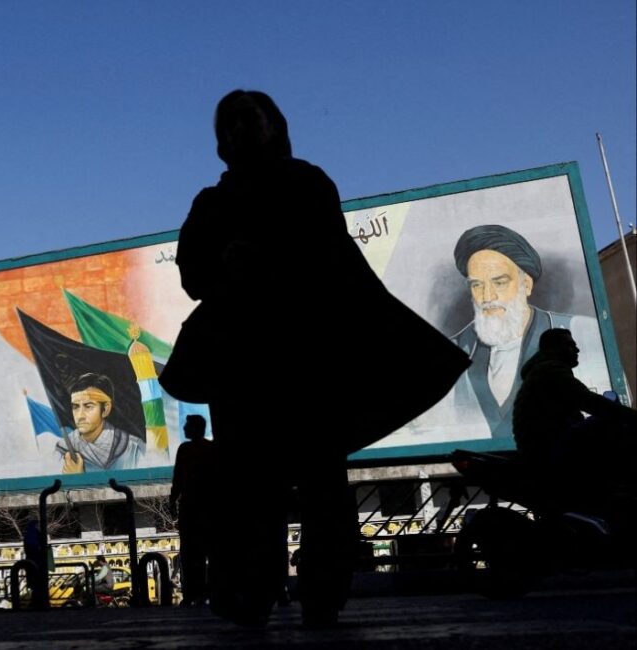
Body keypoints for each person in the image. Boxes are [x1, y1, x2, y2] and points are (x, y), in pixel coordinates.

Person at [169, 90, 467, 628]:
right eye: (229, 123)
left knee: (321, 480)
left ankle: (323, 592)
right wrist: (225, 266)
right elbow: (192, 274)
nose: (239, 130)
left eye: (249, 119)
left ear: (276, 126)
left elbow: (332, 260)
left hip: (310, 359)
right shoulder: (209, 205)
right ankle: (253, 593)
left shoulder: (306, 182)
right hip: (241, 364)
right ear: (220, 142)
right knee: (251, 488)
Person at [448, 224, 607, 439]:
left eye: (500, 282)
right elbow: (593, 403)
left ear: (527, 284)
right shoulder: (451, 352)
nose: (487, 296)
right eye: (477, 285)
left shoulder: (586, 332)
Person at [512, 328, 636, 480]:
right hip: (550, 454)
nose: (577, 349)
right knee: (611, 423)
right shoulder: (549, 371)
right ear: (553, 348)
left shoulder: (540, 370)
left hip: (542, 453)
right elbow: (590, 401)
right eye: (570, 345)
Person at [54, 373, 146, 473]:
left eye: (88, 406)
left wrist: (78, 480)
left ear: (106, 409)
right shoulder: (62, 450)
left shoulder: (134, 449)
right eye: (75, 407)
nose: (80, 416)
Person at [169, 414, 214, 606]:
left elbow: (178, 478)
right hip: (209, 508)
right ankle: (209, 593)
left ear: (195, 428)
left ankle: (192, 594)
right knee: (209, 552)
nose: (184, 428)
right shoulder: (211, 449)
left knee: (190, 554)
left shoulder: (185, 450)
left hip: (192, 508)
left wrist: (172, 500)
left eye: (187, 425)